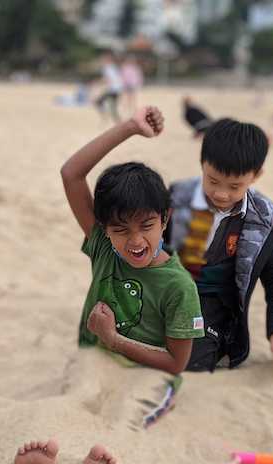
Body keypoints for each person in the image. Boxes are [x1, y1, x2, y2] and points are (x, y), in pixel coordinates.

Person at [61, 106, 204, 376]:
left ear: (165, 219)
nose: (135, 240)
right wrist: (130, 127)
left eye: (147, 226)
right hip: (93, 367)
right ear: (105, 229)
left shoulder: (179, 287)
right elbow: (71, 174)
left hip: (146, 378)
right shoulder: (103, 248)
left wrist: (113, 340)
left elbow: (176, 364)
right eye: (122, 229)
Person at [163, 118, 273, 372]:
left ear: (256, 175)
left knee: (191, 356)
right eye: (213, 180)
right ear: (202, 163)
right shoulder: (174, 199)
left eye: (235, 186)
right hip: (166, 293)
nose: (221, 194)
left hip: (213, 305)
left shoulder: (262, 221)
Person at [93, 50, 123, 124]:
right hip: (118, 89)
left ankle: (104, 118)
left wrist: (96, 83)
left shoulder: (106, 68)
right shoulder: (114, 67)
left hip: (113, 89)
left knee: (98, 102)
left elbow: (107, 79)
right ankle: (118, 122)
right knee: (113, 107)